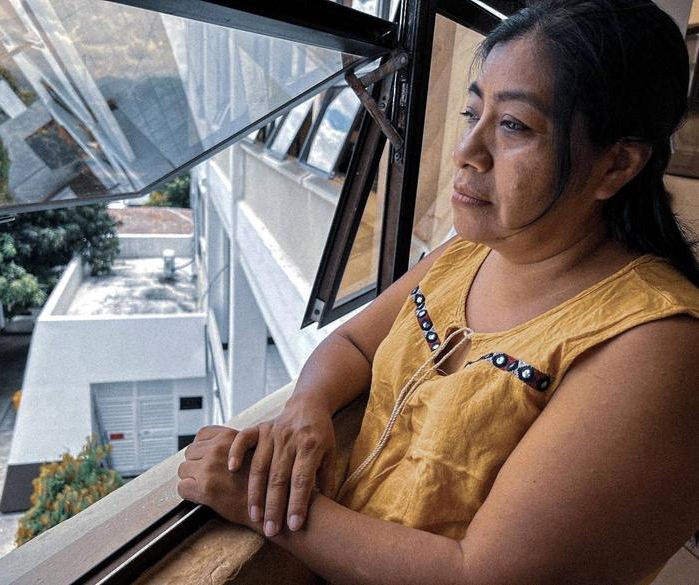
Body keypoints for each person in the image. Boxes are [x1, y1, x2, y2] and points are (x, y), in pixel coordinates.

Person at [178, 1, 699, 583]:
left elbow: (480, 576)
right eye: (473, 112)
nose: (467, 151)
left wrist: (259, 502)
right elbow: (353, 342)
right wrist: (308, 406)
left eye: (514, 126)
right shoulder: (470, 252)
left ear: (616, 165)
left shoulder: (654, 345)